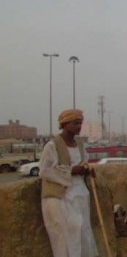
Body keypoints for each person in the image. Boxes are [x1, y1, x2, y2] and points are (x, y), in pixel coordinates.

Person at [39, 109, 98, 257]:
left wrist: (86, 170)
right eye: (75, 123)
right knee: (67, 236)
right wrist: (71, 171)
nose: (79, 127)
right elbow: (45, 171)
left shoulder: (80, 145)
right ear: (65, 124)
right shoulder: (52, 146)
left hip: (80, 195)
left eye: (80, 123)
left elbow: (83, 163)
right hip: (62, 198)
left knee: (83, 232)